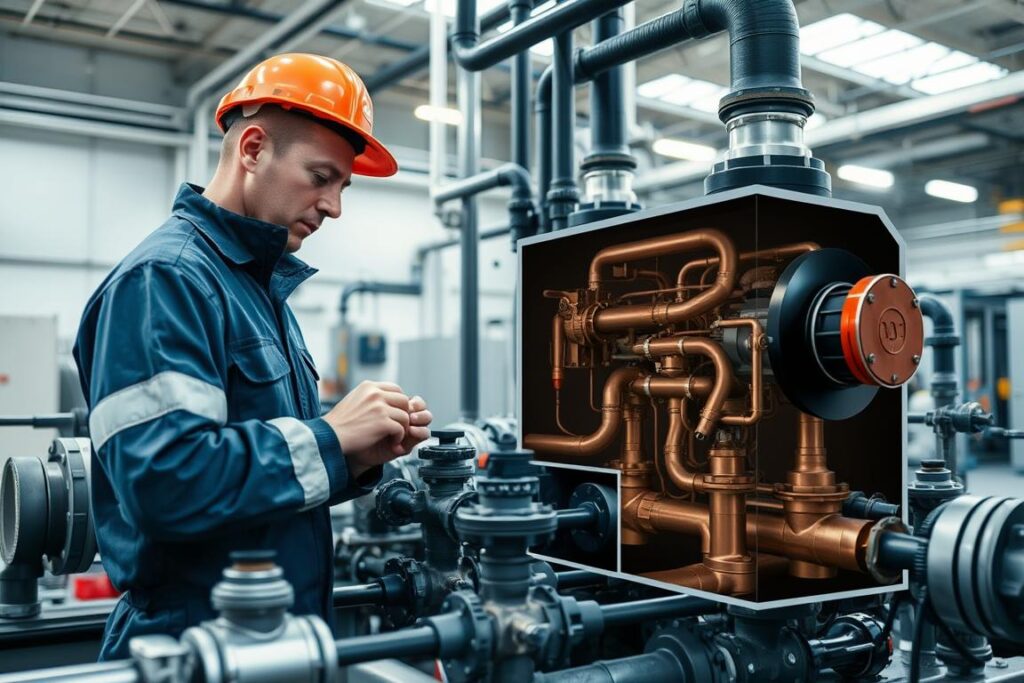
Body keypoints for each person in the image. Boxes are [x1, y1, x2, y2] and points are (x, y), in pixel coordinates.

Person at [73, 53, 431, 660]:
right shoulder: (167, 281)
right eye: (321, 177)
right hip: (190, 645)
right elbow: (165, 484)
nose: (335, 206)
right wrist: (329, 436)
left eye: (343, 186)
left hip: (272, 639)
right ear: (253, 148)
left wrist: (354, 456)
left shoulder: (257, 291)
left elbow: (254, 486)